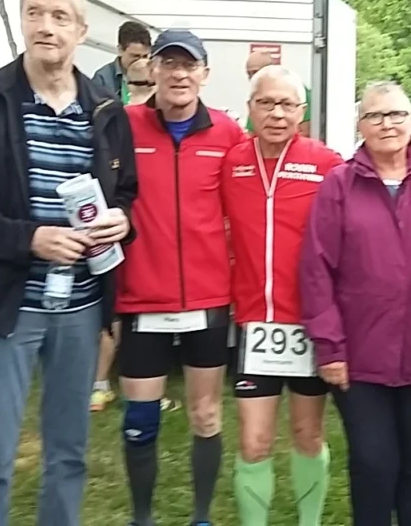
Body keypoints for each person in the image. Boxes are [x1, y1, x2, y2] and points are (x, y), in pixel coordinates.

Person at [0, 0, 137, 526]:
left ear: (81, 30)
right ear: (22, 21)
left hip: (81, 308)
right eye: (35, 13)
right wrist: (28, 239)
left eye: (59, 16)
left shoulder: (105, 109)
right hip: (5, 307)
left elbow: (126, 191)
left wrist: (122, 221)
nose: (46, 26)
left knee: (69, 455)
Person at [300, 81, 411, 526]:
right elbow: (317, 269)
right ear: (360, 125)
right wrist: (330, 347)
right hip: (359, 357)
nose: (387, 124)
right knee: (373, 462)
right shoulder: (339, 186)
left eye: (396, 114)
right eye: (375, 116)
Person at [116, 28, 240, 526]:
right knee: (139, 422)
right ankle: (142, 517)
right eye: (169, 63)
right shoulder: (124, 126)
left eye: (189, 65)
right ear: (152, 70)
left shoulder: (227, 133)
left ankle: (201, 516)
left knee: (206, 415)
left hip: (208, 301)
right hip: (142, 298)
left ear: (205, 74)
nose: (179, 74)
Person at [222, 65, 341, 526]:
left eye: (287, 104)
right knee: (254, 442)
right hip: (254, 324)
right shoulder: (232, 162)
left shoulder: (326, 163)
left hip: (309, 323)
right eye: (266, 103)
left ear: (301, 111)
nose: (276, 113)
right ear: (250, 108)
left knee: (307, 434)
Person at [90, 57, 178, 414]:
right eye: (141, 85)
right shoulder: (122, 122)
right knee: (117, 313)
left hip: (130, 243)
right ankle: (106, 384)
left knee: (115, 313)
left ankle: (104, 384)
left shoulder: (119, 120)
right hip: (123, 243)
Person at [244, 51, 311, 137]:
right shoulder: (257, 96)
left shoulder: (297, 91)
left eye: (255, 72)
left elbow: (305, 130)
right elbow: (251, 133)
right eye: (249, 74)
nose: (253, 78)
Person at [92, 21, 152, 104]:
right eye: (135, 56)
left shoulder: (154, 76)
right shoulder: (102, 78)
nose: (141, 62)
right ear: (120, 50)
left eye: (145, 56)